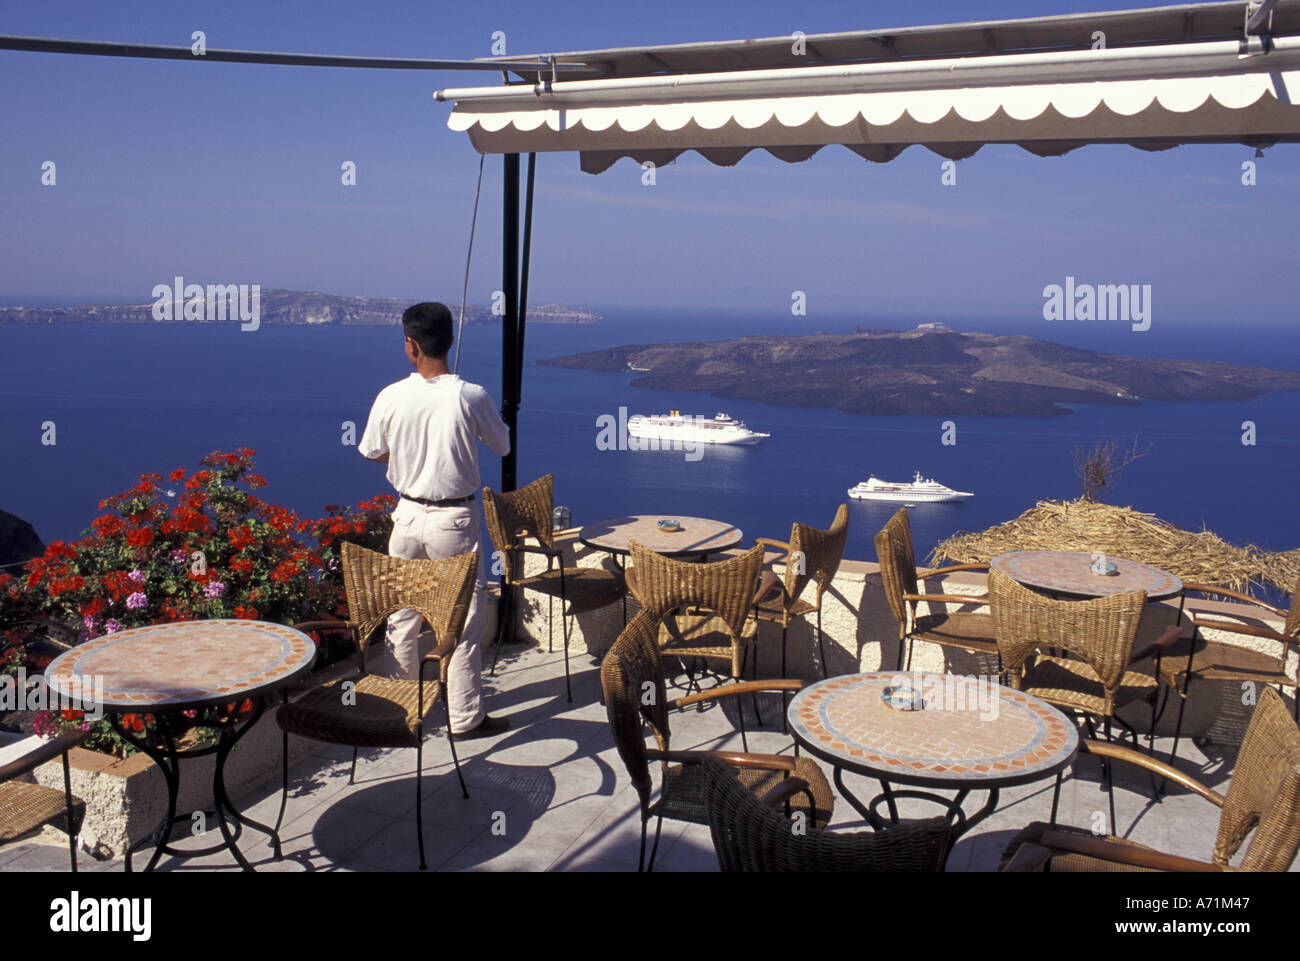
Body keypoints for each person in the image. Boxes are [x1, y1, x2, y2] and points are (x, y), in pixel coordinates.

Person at [358, 302, 511, 739]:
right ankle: (465, 717)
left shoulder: (390, 395)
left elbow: (373, 450)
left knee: (402, 616)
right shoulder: (471, 396)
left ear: (411, 345)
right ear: (451, 341)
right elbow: (501, 446)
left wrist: (408, 454)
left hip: (405, 516)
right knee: (462, 621)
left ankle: (404, 711)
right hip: (455, 521)